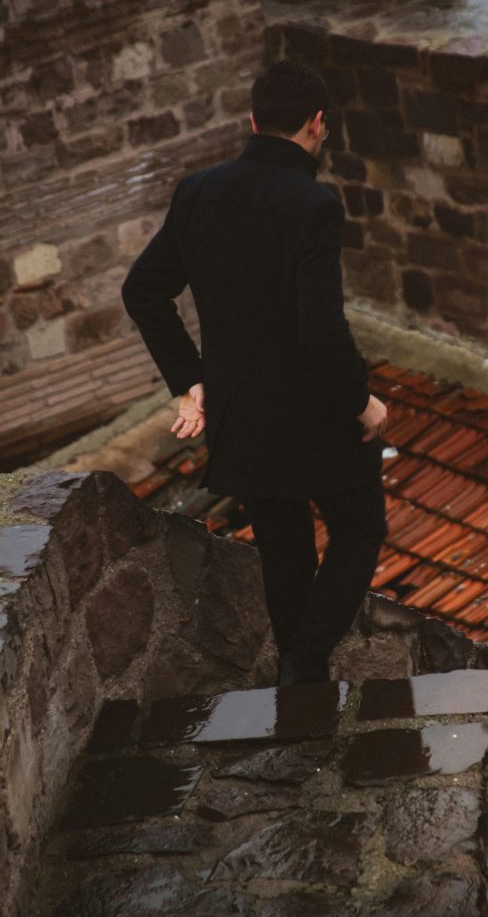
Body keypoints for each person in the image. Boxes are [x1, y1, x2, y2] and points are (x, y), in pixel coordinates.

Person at [121, 59, 389, 686]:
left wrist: (192, 380)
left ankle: (302, 682)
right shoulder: (314, 204)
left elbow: (143, 293)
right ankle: (306, 661)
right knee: (360, 527)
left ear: (252, 120)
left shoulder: (198, 191)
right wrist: (362, 404)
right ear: (317, 124)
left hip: (242, 418)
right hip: (314, 416)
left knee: (284, 546)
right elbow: (320, 329)